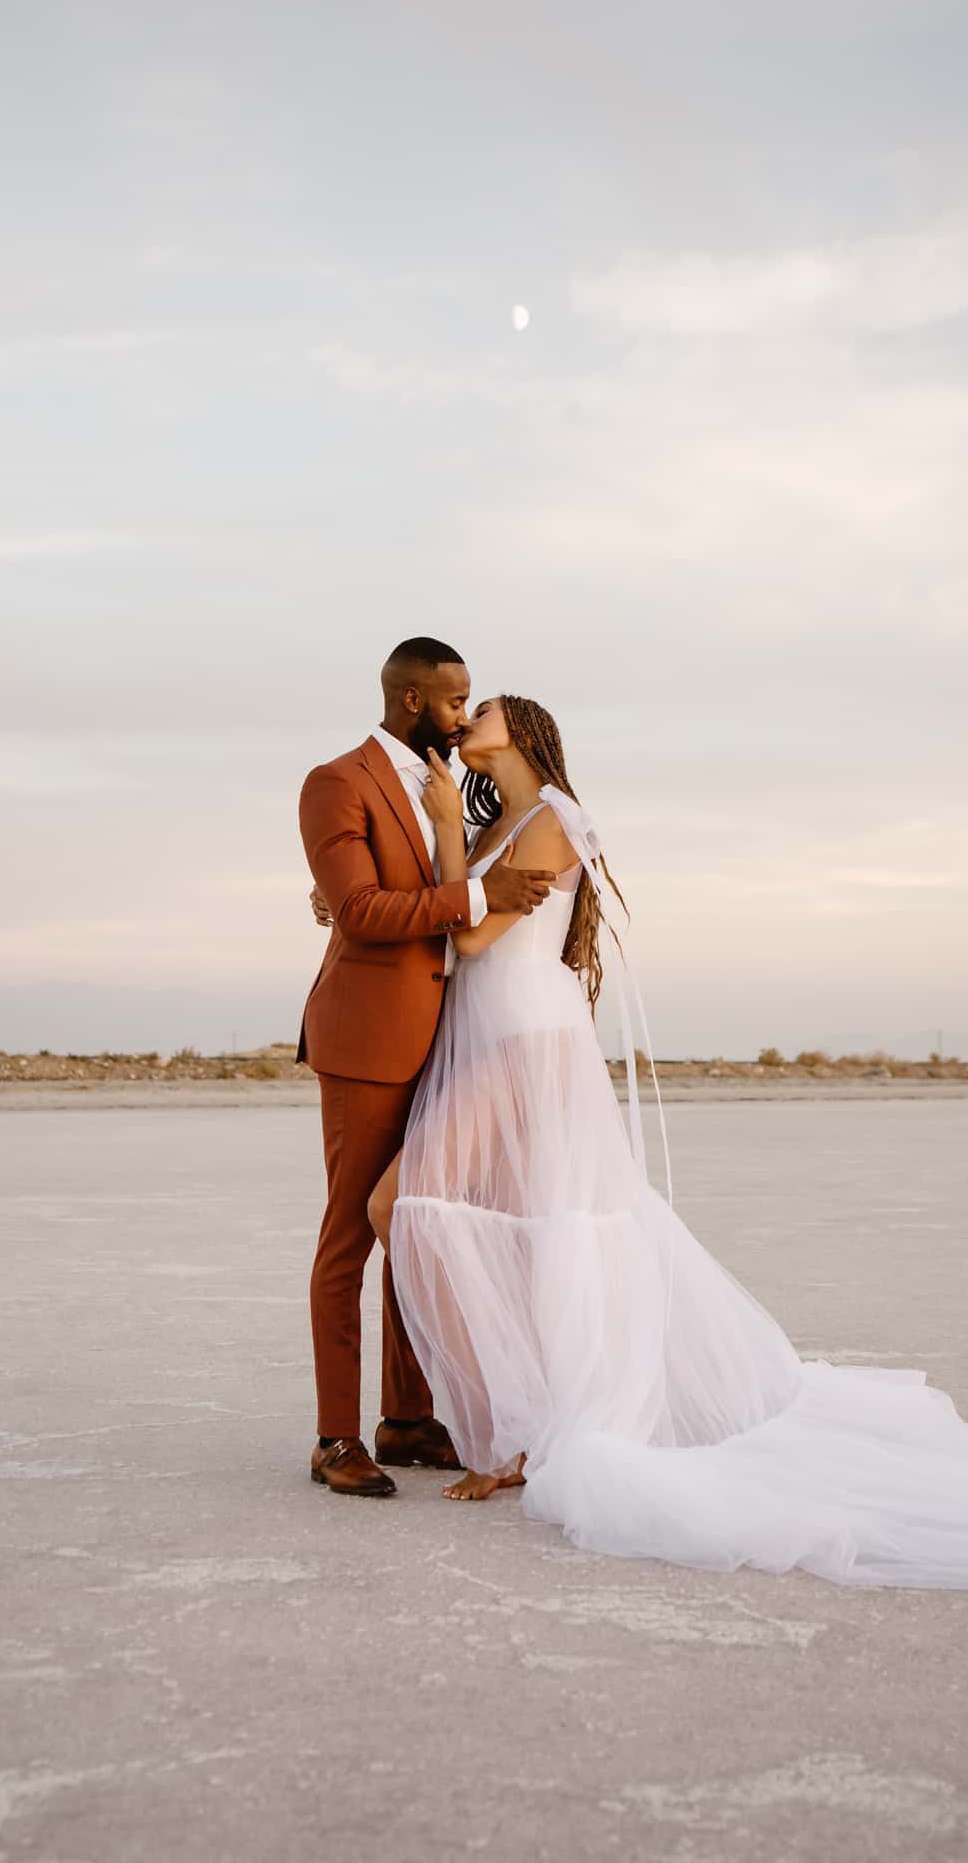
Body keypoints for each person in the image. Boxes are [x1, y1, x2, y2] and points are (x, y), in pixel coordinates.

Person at [359, 691, 968, 1591]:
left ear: (528, 730)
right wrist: (429, 844)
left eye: (487, 707)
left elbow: (469, 932)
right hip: (496, 1037)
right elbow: (460, 914)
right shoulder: (503, 820)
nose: (469, 716)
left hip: (524, 1042)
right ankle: (517, 1424)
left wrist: (437, 848)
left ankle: (509, 1437)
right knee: (485, 1218)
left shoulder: (554, 819)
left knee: (413, 1206)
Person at [296, 639, 555, 1496]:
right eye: (456, 701)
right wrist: (481, 895)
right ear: (414, 700)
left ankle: (405, 1418)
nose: (463, 713)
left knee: (417, 1221)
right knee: (351, 1235)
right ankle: (336, 1437)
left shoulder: (457, 802)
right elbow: (365, 910)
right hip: (368, 1042)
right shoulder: (336, 781)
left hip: (452, 1042)